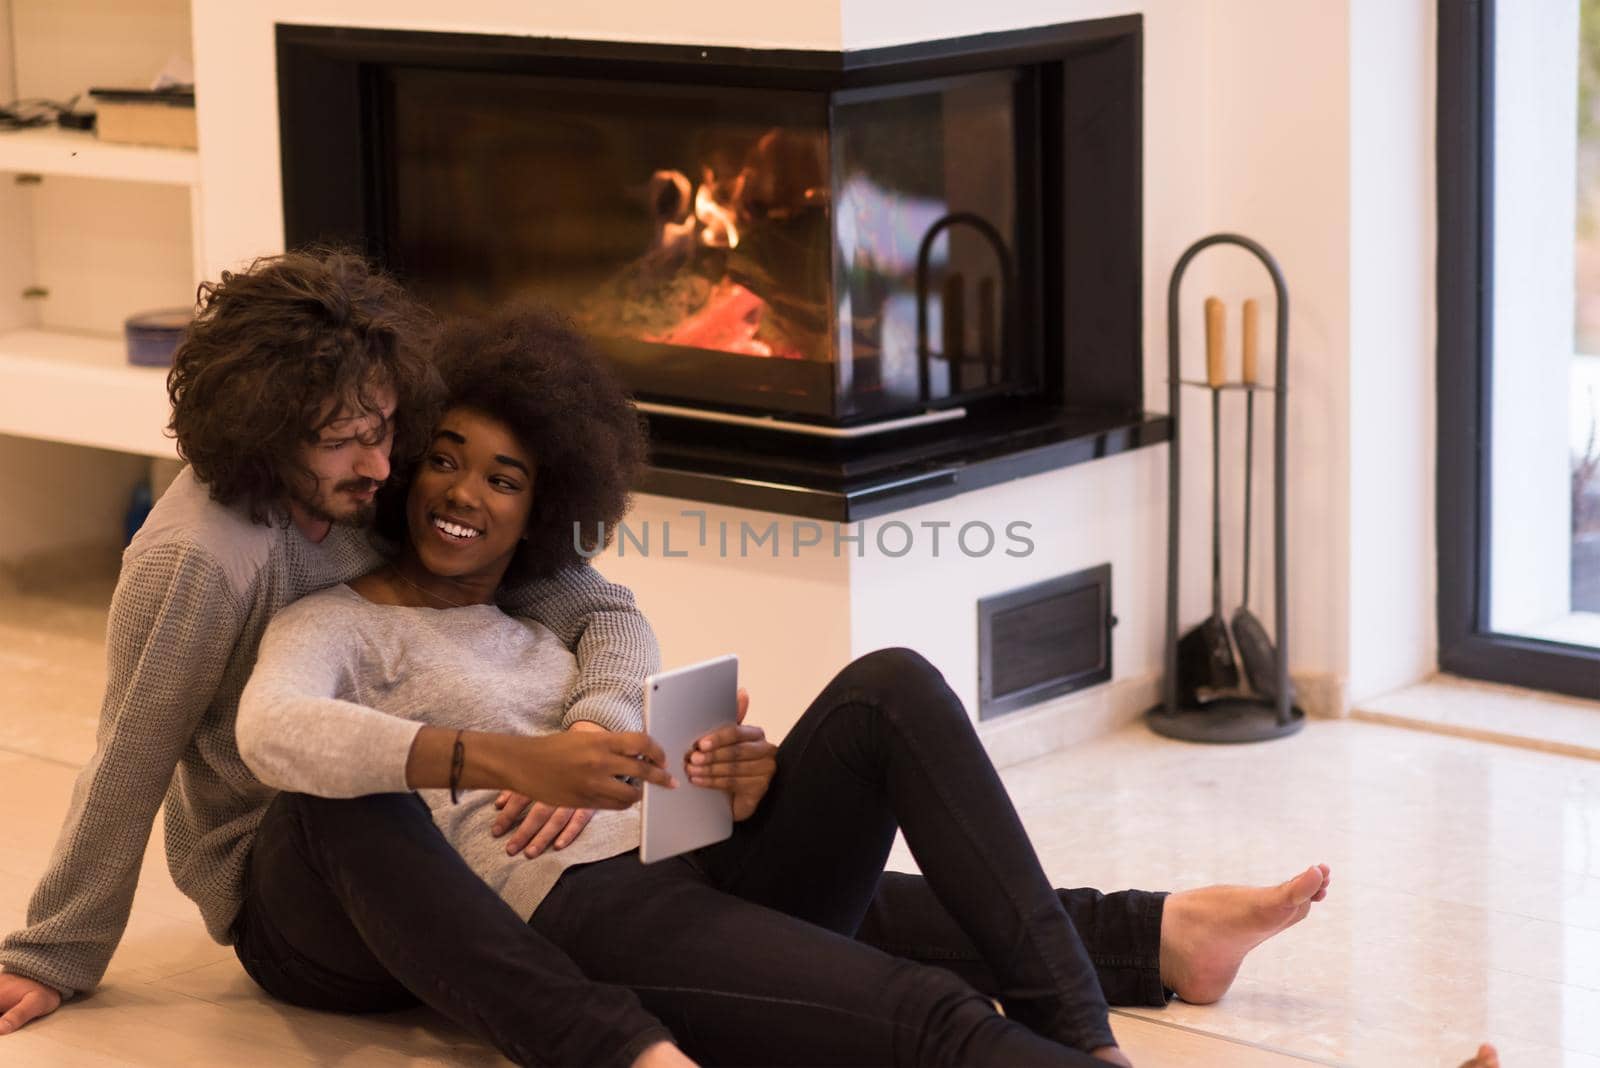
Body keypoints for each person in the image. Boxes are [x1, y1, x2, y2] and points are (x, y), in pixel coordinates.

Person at [234, 308, 1341, 1067]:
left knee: (891, 686)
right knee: (924, 1012)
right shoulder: (335, 625)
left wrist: (723, 776)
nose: (463, 492)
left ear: (543, 503)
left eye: (505, 477)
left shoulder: (550, 613)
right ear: (403, 465)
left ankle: (1086, 1031)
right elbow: (274, 732)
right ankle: (1139, 966)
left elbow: (627, 688)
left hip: (691, 855)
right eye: (444, 456)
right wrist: (494, 758)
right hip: (583, 914)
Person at [0, 253, 667, 1051]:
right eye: (345, 442)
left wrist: (599, 720)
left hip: (444, 851)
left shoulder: (371, 488)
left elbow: (599, 609)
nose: (383, 466)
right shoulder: (199, 561)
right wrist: (53, 953)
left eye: (383, 431)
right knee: (340, 801)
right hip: (299, 883)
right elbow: (130, 757)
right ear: (269, 433)